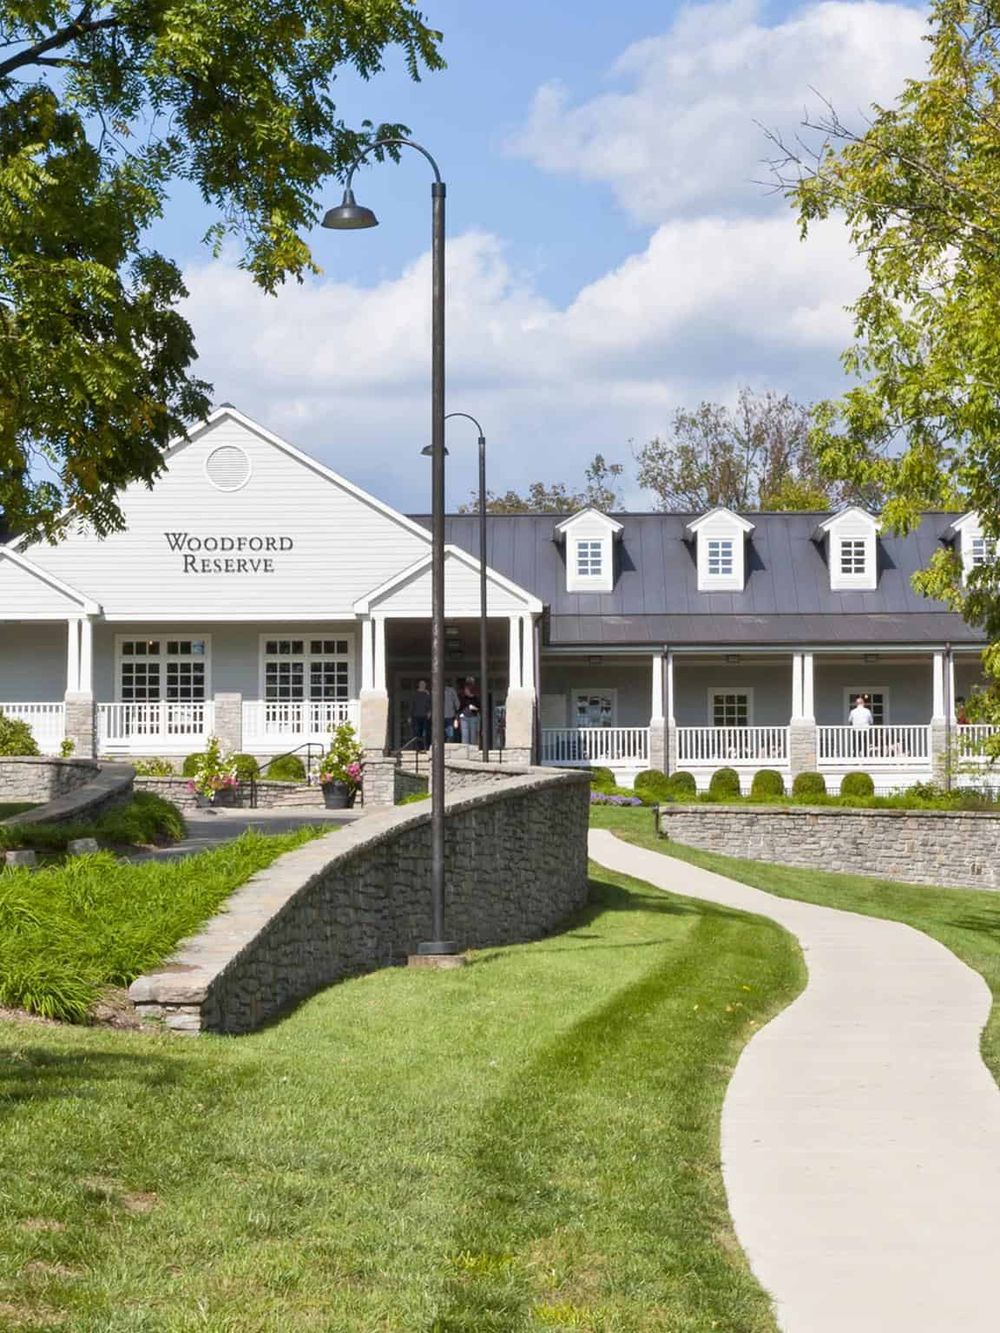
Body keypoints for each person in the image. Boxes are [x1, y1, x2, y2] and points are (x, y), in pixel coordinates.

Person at [458, 675, 481, 747]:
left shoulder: (476, 698)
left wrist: (475, 708)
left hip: (473, 717)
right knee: (465, 736)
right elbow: (459, 708)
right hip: (464, 717)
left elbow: (480, 708)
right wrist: (457, 717)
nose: (467, 690)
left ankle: (473, 749)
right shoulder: (463, 698)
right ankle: (465, 749)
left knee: (473, 736)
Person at [848, 693, 873, 758]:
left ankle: (856, 758)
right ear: (863, 703)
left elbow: (849, 720)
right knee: (865, 745)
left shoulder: (853, 711)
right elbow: (871, 721)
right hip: (865, 730)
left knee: (856, 745)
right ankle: (865, 757)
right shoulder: (867, 711)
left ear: (856, 704)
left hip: (856, 730)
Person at [410, 679, 431, 750]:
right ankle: (419, 747)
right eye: (421, 684)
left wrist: (430, 712)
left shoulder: (427, 694)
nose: (422, 685)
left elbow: (430, 703)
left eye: (424, 684)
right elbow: (412, 705)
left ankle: (426, 747)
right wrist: (410, 716)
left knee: (426, 732)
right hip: (416, 715)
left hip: (425, 716)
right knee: (417, 732)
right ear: (419, 685)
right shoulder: (415, 694)